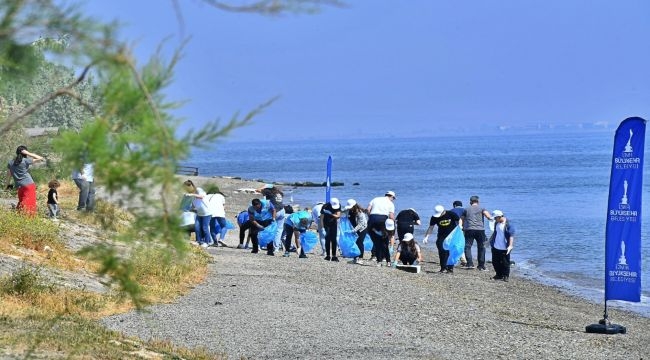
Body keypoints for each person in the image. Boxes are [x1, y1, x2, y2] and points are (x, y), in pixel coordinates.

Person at [7, 145, 44, 216]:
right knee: (29, 203)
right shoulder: (26, 160)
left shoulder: (10, 162)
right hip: (29, 185)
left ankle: (20, 218)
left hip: (19, 186)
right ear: (24, 152)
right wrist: (28, 153)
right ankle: (28, 220)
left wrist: (8, 186)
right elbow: (40, 158)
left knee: (22, 202)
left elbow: (9, 175)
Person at [423, 204, 460, 273]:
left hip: (452, 236)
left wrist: (460, 227)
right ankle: (443, 268)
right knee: (442, 251)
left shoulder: (451, 214)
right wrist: (426, 237)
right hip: (441, 236)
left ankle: (450, 268)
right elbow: (431, 227)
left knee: (450, 252)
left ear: (443, 211)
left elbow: (459, 221)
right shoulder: (434, 217)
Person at [462, 195, 493, 271]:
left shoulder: (466, 209)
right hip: (480, 230)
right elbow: (488, 217)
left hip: (469, 230)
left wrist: (461, 228)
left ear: (470, 202)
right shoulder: (482, 208)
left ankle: (470, 264)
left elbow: (461, 220)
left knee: (467, 246)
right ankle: (481, 266)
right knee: (482, 247)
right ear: (478, 201)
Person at [367, 191, 396, 261]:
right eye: (394, 198)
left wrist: (370, 217)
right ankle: (384, 257)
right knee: (384, 239)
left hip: (372, 218)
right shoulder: (391, 203)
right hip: (383, 219)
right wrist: (394, 223)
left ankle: (375, 256)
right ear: (391, 196)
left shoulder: (375, 199)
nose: (393, 200)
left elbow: (368, 209)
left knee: (375, 239)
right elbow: (391, 216)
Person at [258, 184, 285, 256]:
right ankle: (276, 248)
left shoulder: (269, 193)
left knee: (269, 228)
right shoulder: (279, 193)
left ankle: (263, 244)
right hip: (282, 210)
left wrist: (264, 186)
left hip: (274, 212)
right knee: (279, 230)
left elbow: (258, 190)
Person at [489, 210, 516, 282]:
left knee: (505, 263)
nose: (495, 219)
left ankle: (506, 276)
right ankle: (498, 275)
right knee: (495, 262)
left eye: (495, 218)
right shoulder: (496, 223)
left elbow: (511, 236)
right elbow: (495, 233)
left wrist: (510, 246)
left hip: (504, 248)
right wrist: (489, 241)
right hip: (495, 246)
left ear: (500, 216)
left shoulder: (508, 224)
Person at [183, 179, 211, 248]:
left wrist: (192, 194)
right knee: (197, 227)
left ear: (191, 186)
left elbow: (201, 196)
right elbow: (194, 206)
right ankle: (199, 241)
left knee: (204, 227)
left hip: (207, 213)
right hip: (199, 213)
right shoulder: (191, 196)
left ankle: (207, 242)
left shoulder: (198, 190)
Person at [345, 199, 368, 265]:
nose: (349, 208)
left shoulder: (360, 213)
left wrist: (353, 231)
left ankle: (360, 258)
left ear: (354, 206)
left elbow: (361, 224)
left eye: (350, 207)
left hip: (362, 229)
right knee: (355, 243)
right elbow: (342, 211)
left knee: (359, 242)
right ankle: (356, 258)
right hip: (355, 228)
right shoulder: (350, 211)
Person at [320, 197, 341, 261]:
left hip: (334, 224)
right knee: (327, 239)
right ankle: (328, 255)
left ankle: (334, 256)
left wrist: (331, 214)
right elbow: (321, 218)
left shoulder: (338, 205)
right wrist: (322, 228)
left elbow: (338, 216)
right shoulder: (325, 206)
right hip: (326, 224)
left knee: (334, 240)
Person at [449, 200, 467, 266]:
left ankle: (460, 259)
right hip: (464, 229)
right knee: (461, 244)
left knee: (454, 245)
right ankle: (463, 259)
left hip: (454, 229)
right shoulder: (465, 210)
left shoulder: (451, 211)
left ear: (454, 205)